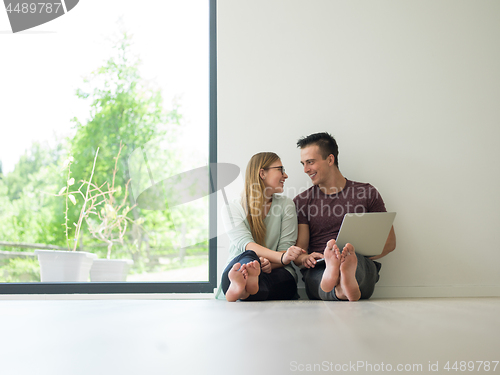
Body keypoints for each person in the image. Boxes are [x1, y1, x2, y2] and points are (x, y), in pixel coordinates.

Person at [292, 132, 396, 301]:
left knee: (357, 264)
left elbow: (390, 242)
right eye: (303, 164)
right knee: (322, 273)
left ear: (330, 159)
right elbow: (300, 253)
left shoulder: (367, 193)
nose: (305, 169)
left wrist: (349, 256)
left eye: (310, 162)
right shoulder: (302, 201)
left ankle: (343, 280)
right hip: (321, 266)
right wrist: (306, 258)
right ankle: (341, 284)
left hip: (359, 262)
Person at [215, 152, 305, 301]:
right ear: (262, 173)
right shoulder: (231, 208)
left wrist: (269, 264)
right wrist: (259, 263)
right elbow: (247, 245)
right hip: (239, 266)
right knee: (249, 256)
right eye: (280, 169)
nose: (285, 175)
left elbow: (286, 249)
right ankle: (245, 280)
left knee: (282, 280)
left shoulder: (286, 205)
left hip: (276, 270)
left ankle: (243, 291)